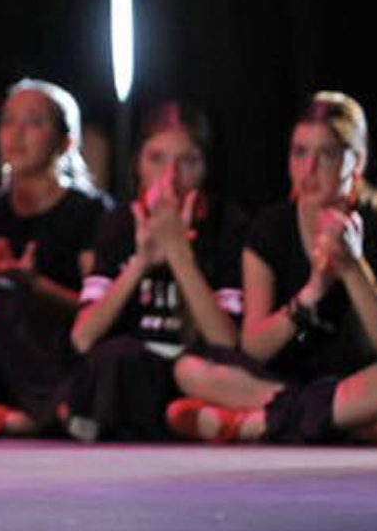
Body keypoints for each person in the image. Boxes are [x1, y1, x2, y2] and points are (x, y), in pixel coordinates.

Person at [167, 92, 377, 444]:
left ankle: (257, 424)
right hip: (289, 379)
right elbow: (254, 347)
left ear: (357, 161)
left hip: (367, 377)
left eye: (327, 154)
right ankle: (355, 423)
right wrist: (311, 294)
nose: (308, 169)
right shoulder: (269, 228)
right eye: (300, 152)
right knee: (190, 368)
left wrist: (353, 269)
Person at [61, 102, 246, 441]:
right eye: (157, 159)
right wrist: (142, 261)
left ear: (206, 167)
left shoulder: (226, 223)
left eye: (187, 161)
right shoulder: (118, 223)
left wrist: (178, 254)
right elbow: (82, 337)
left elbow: (226, 343)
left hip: (195, 375)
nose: (170, 177)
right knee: (116, 358)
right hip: (133, 372)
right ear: (138, 164)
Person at [0, 79, 111, 436]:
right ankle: (51, 412)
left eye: (34, 122)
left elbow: (97, 309)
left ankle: (47, 410)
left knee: (8, 294)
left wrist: (36, 287)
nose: (16, 134)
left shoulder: (89, 211)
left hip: (62, 349)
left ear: (65, 141)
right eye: (8, 122)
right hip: (0, 351)